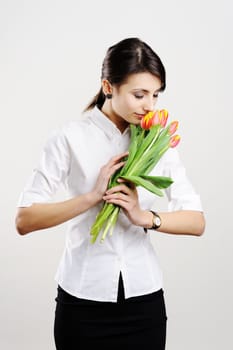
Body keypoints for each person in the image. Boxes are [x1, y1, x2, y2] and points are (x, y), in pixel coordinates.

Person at [15, 37, 205, 349]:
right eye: (139, 94)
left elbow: (196, 221)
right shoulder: (69, 138)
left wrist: (144, 217)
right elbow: (24, 219)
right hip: (82, 301)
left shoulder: (158, 143)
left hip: (144, 301)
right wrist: (91, 198)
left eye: (156, 95)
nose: (150, 106)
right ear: (108, 86)